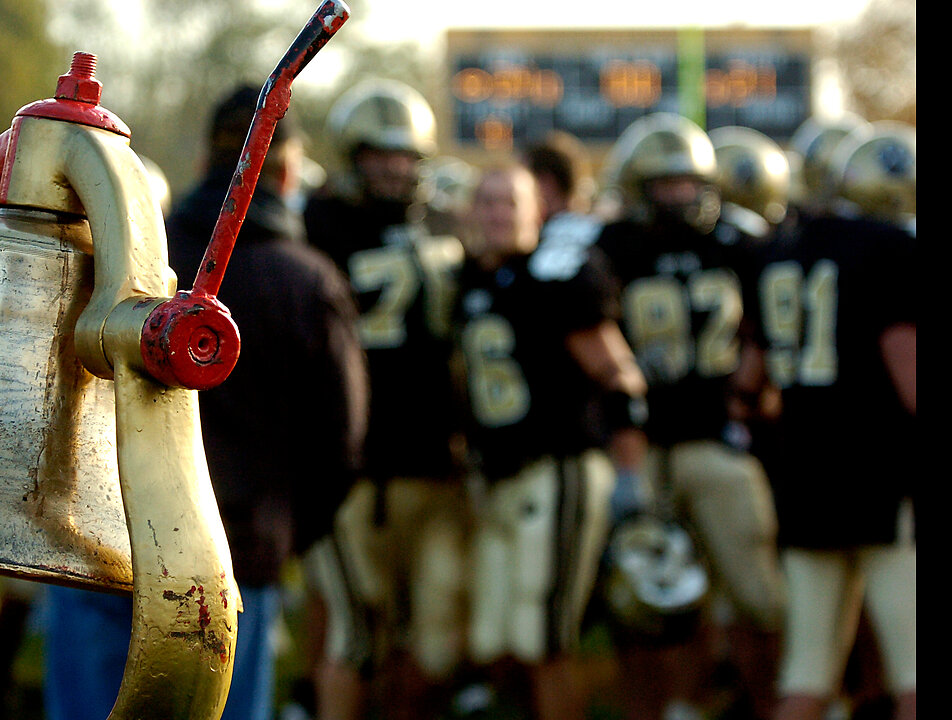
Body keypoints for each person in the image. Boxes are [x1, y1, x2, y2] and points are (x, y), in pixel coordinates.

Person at [42, 84, 369, 720]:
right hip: (235, 561)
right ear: (291, 169)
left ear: (201, 164)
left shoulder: (123, 267)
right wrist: (283, 535)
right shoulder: (311, 283)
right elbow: (342, 442)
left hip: (103, 546)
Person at [592, 113, 786, 720]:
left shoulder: (737, 242)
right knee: (646, 601)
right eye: (664, 183)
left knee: (759, 596)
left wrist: (744, 393)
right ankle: (667, 708)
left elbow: (767, 329)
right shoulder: (610, 247)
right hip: (641, 447)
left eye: (689, 182)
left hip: (714, 439)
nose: (681, 195)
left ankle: (761, 704)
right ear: (637, 188)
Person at [452, 161, 648, 720]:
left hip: (560, 467)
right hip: (502, 474)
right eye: (486, 201)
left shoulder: (559, 272)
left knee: (544, 637)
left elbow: (620, 378)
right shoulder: (473, 277)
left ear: (537, 211)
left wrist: (631, 476)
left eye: (510, 202)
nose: (496, 213)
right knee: (494, 640)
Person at [736, 122, 916, 720]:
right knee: (913, 675)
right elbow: (908, 377)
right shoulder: (887, 247)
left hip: (804, 476)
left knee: (807, 676)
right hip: (880, 478)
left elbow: (749, 383)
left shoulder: (776, 251)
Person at [301, 78, 467, 720]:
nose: (395, 169)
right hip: (352, 467)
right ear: (353, 156)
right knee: (356, 629)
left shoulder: (443, 224)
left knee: (429, 640)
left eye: (406, 156)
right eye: (380, 155)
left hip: (431, 460)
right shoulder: (320, 225)